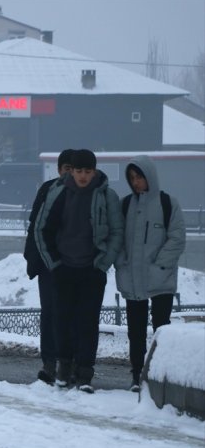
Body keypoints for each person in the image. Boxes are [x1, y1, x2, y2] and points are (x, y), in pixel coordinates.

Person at [34, 149, 123, 394]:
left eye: (88, 171)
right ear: (70, 171)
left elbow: (117, 232)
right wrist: (54, 263)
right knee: (62, 320)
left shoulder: (106, 196)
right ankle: (63, 369)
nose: (83, 176)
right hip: (64, 268)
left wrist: (102, 263)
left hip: (92, 270)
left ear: (94, 171)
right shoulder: (58, 193)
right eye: (79, 171)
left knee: (88, 322)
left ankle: (84, 373)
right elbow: (42, 229)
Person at [115, 156, 186, 392]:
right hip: (132, 280)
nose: (136, 182)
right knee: (135, 333)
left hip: (160, 281)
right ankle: (137, 376)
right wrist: (121, 264)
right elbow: (117, 239)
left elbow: (176, 239)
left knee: (161, 331)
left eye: (140, 177)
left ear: (150, 176)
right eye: (132, 178)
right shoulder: (125, 205)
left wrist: (159, 266)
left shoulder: (168, 204)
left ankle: (158, 376)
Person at [24, 149, 73, 385]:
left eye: (75, 170)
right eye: (67, 169)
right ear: (59, 169)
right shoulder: (48, 190)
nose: (71, 175)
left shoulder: (86, 195)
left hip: (75, 264)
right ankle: (49, 363)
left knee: (71, 314)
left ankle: (69, 363)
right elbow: (35, 225)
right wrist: (35, 259)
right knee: (50, 313)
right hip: (49, 265)